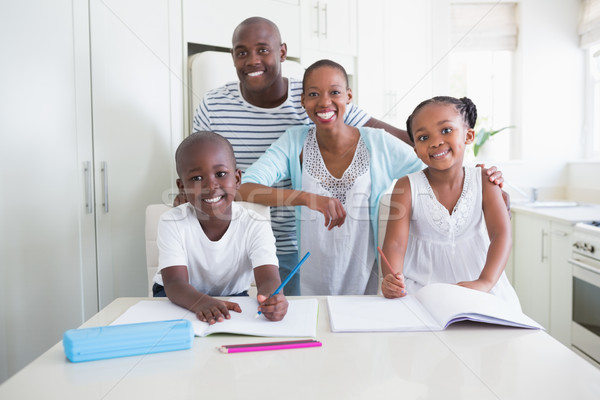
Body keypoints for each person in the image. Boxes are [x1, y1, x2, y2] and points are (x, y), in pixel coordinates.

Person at [190, 17, 412, 296]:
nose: (252, 60)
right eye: (242, 52)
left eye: (262, 49)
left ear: (282, 52)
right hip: (252, 245)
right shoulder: (218, 107)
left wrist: (465, 168)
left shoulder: (338, 111)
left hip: (329, 257)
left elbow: (410, 146)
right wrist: (191, 191)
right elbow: (217, 178)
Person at [238, 59, 426, 296]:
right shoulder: (294, 141)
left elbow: (432, 174)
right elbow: (244, 188)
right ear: (303, 100)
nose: (324, 102)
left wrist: (478, 174)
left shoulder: (378, 142)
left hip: (367, 281)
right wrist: (307, 198)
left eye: (334, 92)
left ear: (348, 96)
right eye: (314, 94)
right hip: (308, 281)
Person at [380, 96, 520, 310]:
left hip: (481, 291)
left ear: (469, 135)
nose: (435, 142)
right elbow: (395, 244)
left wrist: (485, 282)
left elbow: (501, 235)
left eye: (446, 130)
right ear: (416, 149)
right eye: (423, 137)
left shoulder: (485, 181)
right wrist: (391, 277)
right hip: (422, 293)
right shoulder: (406, 186)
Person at [153, 131, 288, 324]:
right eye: (197, 178)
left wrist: (273, 298)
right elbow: (175, 283)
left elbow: (268, 278)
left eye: (221, 174)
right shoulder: (171, 221)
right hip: (176, 296)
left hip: (233, 296)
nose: (211, 185)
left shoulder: (256, 225)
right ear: (182, 186)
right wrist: (201, 302)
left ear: (237, 179)